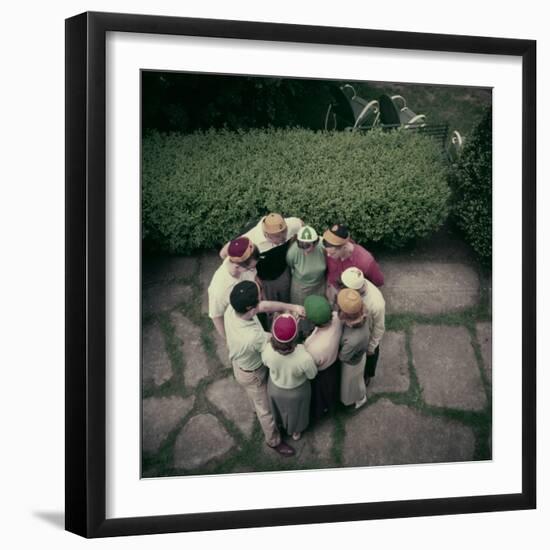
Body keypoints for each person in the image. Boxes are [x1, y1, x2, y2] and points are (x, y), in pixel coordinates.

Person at [224, 281, 305, 457]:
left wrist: (292, 307)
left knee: (255, 399)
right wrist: (290, 325)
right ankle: (274, 441)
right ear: (249, 308)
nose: (262, 299)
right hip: (254, 374)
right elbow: (277, 347)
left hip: (241, 366)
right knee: (265, 410)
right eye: (258, 298)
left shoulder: (232, 310)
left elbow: (263, 306)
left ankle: (254, 406)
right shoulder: (252, 338)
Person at [220, 213, 303, 328]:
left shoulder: (290, 225)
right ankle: (273, 329)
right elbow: (224, 253)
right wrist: (247, 272)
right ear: (267, 234)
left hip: (283, 272)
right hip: (264, 279)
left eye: (285, 233)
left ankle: (289, 325)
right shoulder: (251, 236)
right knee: (269, 309)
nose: (284, 238)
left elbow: (301, 225)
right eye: (279, 237)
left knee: (285, 302)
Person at [262, 314, 317, 441]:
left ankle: (280, 425)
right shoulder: (304, 356)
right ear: (295, 337)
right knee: (298, 412)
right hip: (297, 391)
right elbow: (312, 375)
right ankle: (296, 432)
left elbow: (265, 362)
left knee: (279, 409)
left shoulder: (267, 350)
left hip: (275, 388)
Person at [340, 267, 386, 386]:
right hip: (356, 328)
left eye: (346, 287)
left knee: (370, 360)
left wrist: (371, 347)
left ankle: (367, 376)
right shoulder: (357, 286)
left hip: (368, 333)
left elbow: (379, 328)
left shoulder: (376, 304)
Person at [208, 236, 260, 339]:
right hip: (239, 322)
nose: (253, 269)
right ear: (237, 266)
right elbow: (216, 317)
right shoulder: (219, 290)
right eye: (251, 268)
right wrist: (228, 340)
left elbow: (254, 275)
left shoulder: (240, 257)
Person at [303, 295, 343, 422]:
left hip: (321, 373)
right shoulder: (337, 317)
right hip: (334, 363)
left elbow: (311, 370)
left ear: (313, 321)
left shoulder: (312, 348)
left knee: (320, 397)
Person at [322, 223, 384, 305]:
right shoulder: (330, 250)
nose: (328, 255)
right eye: (327, 252)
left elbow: (378, 281)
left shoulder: (365, 261)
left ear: (344, 247)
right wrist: (331, 287)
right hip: (334, 290)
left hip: (353, 298)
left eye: (332, 253)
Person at [337, 288, 370, 409]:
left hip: (351, 364)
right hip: (359, 355)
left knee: (351, 386)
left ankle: (360, 398)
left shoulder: (352, 340)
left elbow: (343, 357)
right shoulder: (363, 312)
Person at [286, 225, 326, 305]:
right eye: (301, 245)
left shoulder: (323, 246)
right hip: (300, 288)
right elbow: (290, 264)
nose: (304, 249)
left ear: (315, 243)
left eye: (307, 246)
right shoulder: (292, 252)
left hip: (320, 285)